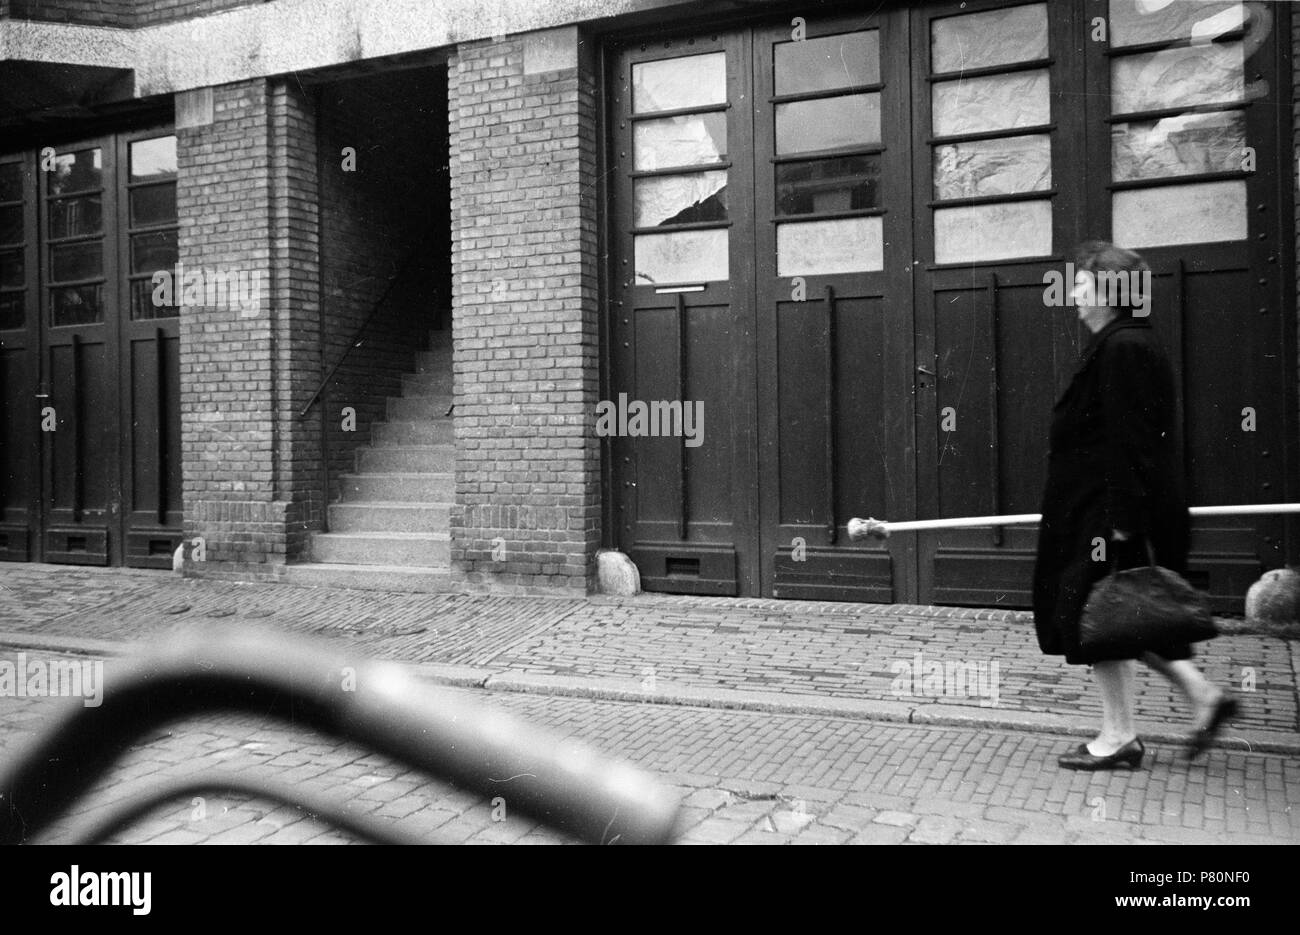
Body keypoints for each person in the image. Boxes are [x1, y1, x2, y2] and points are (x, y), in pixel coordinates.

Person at [1032, 241, 1237, 770]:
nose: (1072, 292)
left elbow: (1132, 441)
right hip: (1099, 511)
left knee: (1090, 612)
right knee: (1114, 615)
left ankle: (1119, 735)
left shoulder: (1123, 348)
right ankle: (1199, 697)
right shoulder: (1121, 343)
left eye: (1081, 282)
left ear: (1108, 290)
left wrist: (1122, 523)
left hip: (1106, 516)